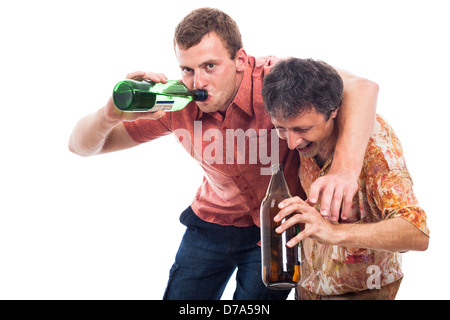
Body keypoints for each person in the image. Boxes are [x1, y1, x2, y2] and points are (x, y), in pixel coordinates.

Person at [68, 8, 379, 300]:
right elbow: (81, 146)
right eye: (187, 69)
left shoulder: (277, 79)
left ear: (240, 59)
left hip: (275, 228)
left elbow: (363, 88)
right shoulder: (176, 102)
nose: (198, 82)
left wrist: (344, 170)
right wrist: (109, 115)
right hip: (211, 224)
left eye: (210, 66)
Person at [262, 57, 429, 300]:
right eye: (281, 128)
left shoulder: (376, 149)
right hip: (308, 289)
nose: (291, 142)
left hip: (363, 292)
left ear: (333, 110)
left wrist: (335, 232)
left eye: (303, 129)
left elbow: (417, 233)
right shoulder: (304, 131)